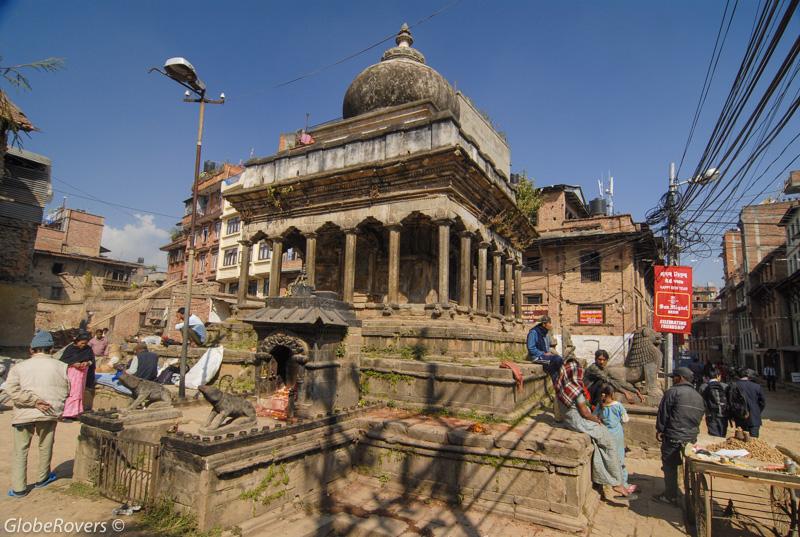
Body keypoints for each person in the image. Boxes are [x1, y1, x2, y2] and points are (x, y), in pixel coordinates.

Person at [555, 355, 632, 500]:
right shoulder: (576, 390)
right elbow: (585, 414)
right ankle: (616, 483)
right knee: (608, 441)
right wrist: (596, 419)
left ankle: (606, 478)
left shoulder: (561, 385)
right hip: (579, 422)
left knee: (599, 445)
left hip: (569, 421)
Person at [5, 330, 70, 498]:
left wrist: (33, 401)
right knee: (45, 445)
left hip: (24, 413)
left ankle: (19, 489)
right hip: (49, 412)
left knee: (20, 450)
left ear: (31, 349)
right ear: (52, 349)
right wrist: (43, 403)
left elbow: (11, 390)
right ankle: (43, 478)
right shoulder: (62, 367)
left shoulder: (19, 367)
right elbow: (67, 390)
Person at [654, 367, 705, 506]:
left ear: (680, 378)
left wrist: (660, 430)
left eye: (674, 377)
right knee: (687, 465)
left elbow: (663, 413)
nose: (673, 380)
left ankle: (670, 495)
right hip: (691, 437)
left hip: (673, 435)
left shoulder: (673, 392)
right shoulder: (698, 396)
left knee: (669, 465)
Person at [594, 383, 637, 494]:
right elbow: (625, 419)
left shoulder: (600, 405)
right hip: (617, 434)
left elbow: (594, 417)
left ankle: (610, 480)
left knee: (610, 457)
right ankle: (623, 483)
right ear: (612, 394)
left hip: (605, 434)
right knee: (620, 458)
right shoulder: (617, 405)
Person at [59, 330, 96, 421]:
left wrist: (87, 363)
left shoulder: (88, 349)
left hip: (82, 374)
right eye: (82, 343)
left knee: (79, 393)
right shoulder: (70, 349)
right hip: (71, 374)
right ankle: (67, 413)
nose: (83, 345)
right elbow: (63, 361)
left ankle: (76, 413)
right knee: (71, 393)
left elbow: (92, 360)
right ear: (77, 341)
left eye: (85, 343)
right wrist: (73, 364)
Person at [730, 368, 765, 438]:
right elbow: (762, 402)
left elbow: (731, 402)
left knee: (741, 441)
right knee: (754, 441)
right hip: (754, 419)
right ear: (748, 375)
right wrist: (756, 411)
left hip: (740, 418)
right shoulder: (757, 386)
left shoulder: (734, 386)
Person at [526, 316, 562, 382]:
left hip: (545, 357)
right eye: (549, 323)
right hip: (537, 357)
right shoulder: (533, 332)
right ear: (544, 324)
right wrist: (543, 353)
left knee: (557, 362)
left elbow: (547, 348)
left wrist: (550, 353)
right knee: (557, 360)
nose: (551, 325)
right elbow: (531, 348)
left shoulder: (546, 334)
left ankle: (558, 384)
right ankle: (557, 383)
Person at [699, 367, 729, 437]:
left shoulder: (703, 387)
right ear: (718, 376)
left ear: (707, 377)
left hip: (710, 415)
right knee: (722, 435)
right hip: (723, 414)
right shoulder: (725, 386)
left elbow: (701, 402)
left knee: (713, 436)